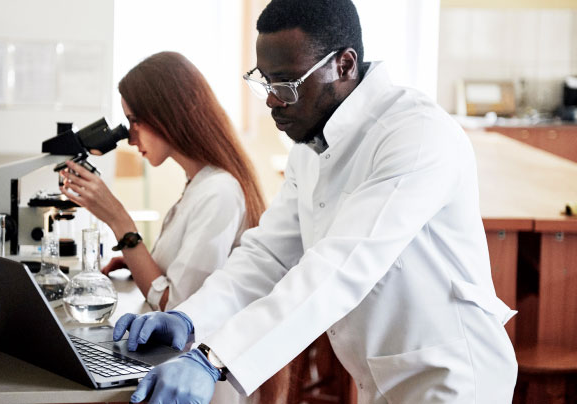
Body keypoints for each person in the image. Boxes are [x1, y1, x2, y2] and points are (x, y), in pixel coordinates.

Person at [113, 1, 519, 403]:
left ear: (343, 65)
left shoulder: (415, 135)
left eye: (286, 84)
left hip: (453, 379)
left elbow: (340, 268)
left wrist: (213, 360)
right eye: (265, 82)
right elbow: (267, 256)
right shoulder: (310, 145)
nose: (272, 100)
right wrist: (191, 318)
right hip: (382, 376)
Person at [59, 51, 266, 403]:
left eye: (133, 120)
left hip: (200, 383)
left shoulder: (219, 192)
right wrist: (137, 258)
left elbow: (180, 310)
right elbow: (179, 277)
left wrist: (119, 221)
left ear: (167, 114)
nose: (128, 136)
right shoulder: (199, 183)